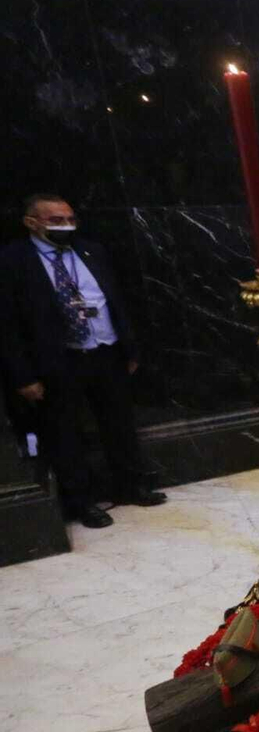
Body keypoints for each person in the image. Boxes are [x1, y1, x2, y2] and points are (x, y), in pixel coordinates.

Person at [0, 194, 166, 528]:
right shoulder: (13, 260)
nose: (66, 225)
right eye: (55, 220)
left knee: (118, 423)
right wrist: (23, 376)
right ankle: (82, 501)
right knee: (65, 432)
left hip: (105, 351)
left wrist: (130, 349)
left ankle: (131, 485)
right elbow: (7, 323)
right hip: (58, 359)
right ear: (31, 223)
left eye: (69, 218)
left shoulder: (92, 250)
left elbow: (117, 299)